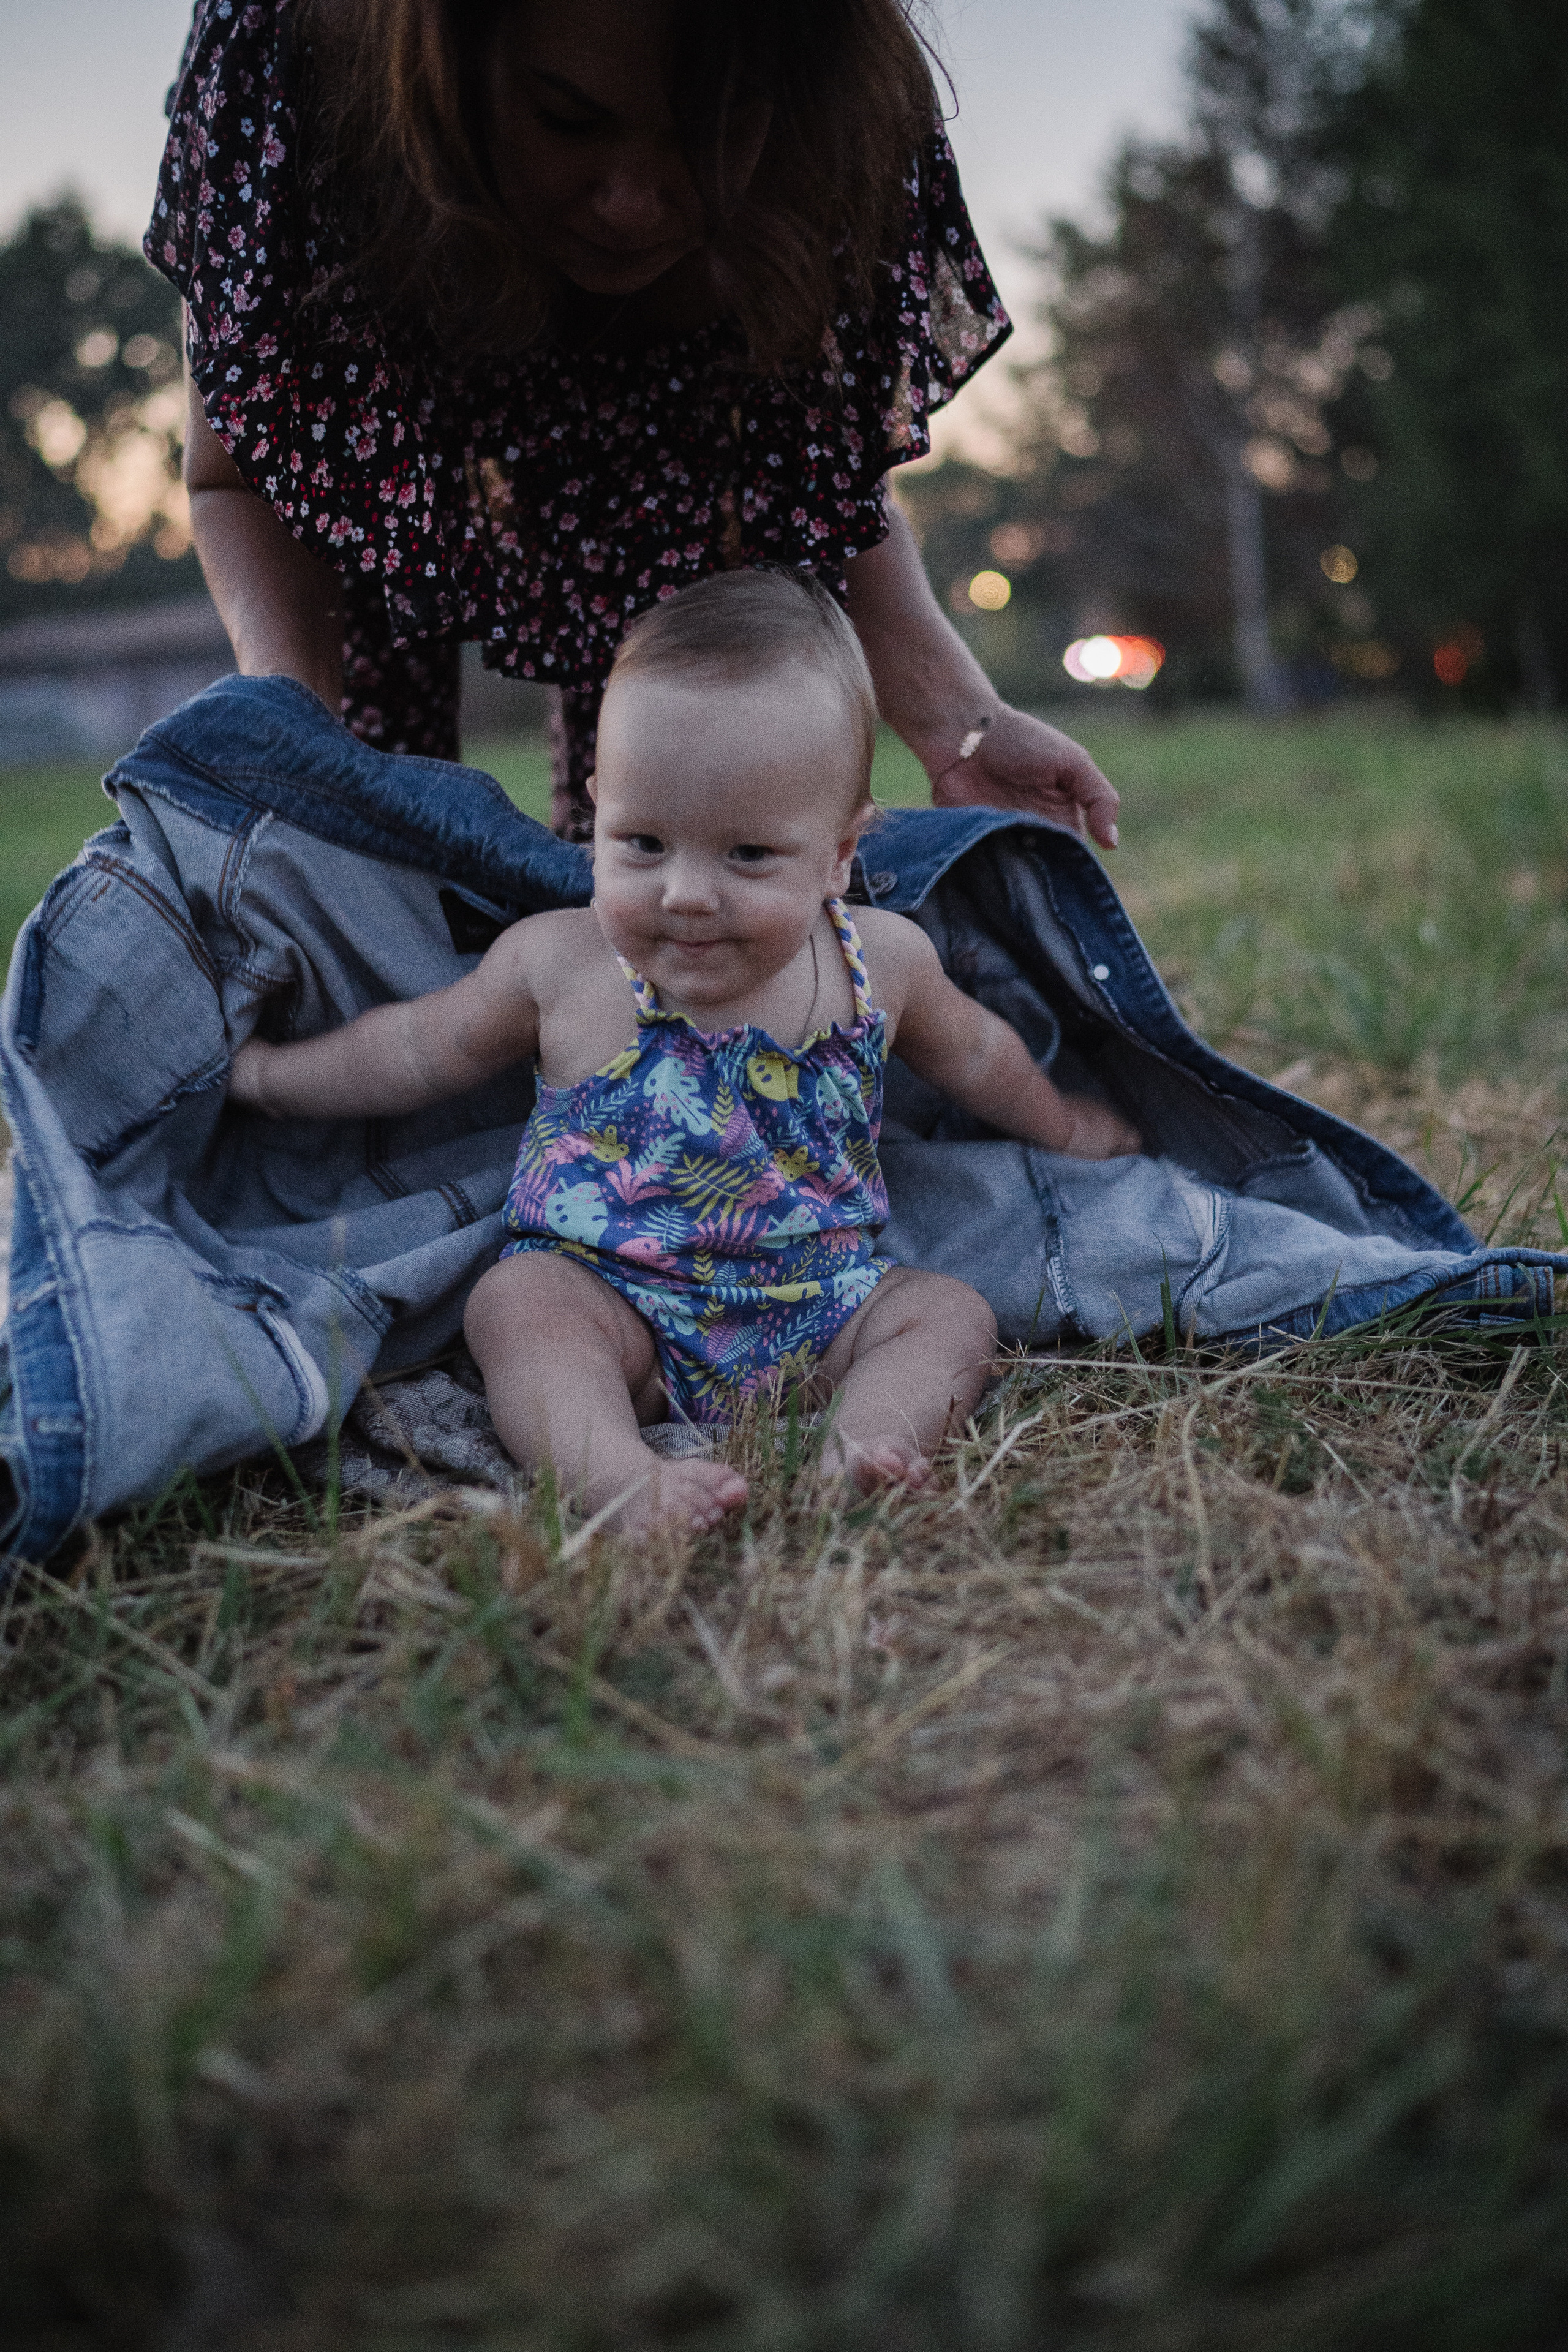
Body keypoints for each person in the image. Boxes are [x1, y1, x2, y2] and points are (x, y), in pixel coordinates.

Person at [229, 570, 1141, 1530]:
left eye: (747, 855)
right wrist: (273, 1079)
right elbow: (419, 1048)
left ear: (839, 852)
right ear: (594, 818)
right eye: (643, 843)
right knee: (517, 1304)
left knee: (952, 1314)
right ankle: (615, 1476)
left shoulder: (881, 961)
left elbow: (980, 1058)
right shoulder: (566, 965)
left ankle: (863, 1448)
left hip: (822, 1304)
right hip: (617, 1303)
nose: (687, 894)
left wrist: (1067, 1126)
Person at [149, 0, 1122, 845]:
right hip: (396, 314)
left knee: (691, 832)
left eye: (712, 131)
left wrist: (965, 724)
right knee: (365, 867)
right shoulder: (293, 52)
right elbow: (244, 473)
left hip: (671, 442)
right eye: (570, 120)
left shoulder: (836, 124)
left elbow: (805, 482)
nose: (635, 203)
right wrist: (304, 759)